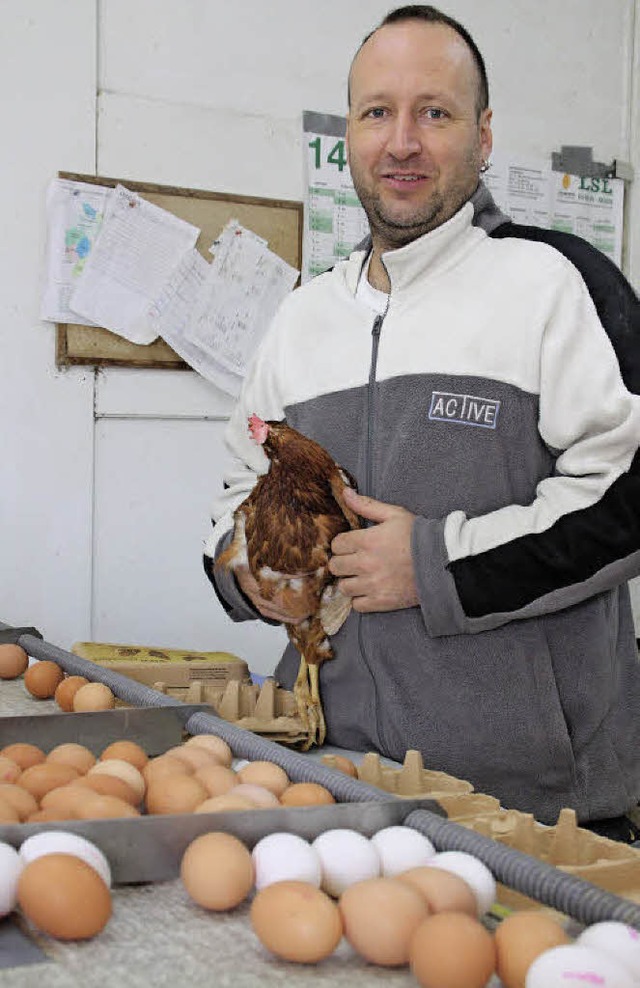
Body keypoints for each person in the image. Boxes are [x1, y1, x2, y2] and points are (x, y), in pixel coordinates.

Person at [204, 5, 640, 834]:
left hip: (540, 813)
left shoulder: (556, 283)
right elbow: (240, 477)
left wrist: (435, 564)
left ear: (481, 137)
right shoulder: (304, 316)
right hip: (333, 779)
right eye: (377, 112)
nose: (401, 141)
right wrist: (244, 563)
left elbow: (628, 499)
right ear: (351, 135)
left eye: (432, 112)